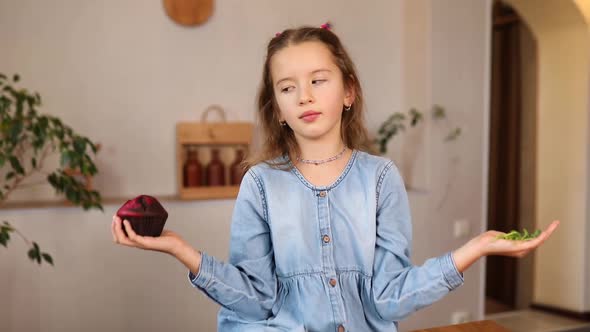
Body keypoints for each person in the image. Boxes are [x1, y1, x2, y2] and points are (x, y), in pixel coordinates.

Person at [111, 23, 560, 331]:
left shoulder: (381, 178)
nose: (303, 95)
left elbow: (387, 299)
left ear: (348, 91)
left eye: (318, 80)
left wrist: (476, 248)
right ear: (278, 109)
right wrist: (179, 249)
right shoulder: (260, 184)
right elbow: (255, 301)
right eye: (287, 88)